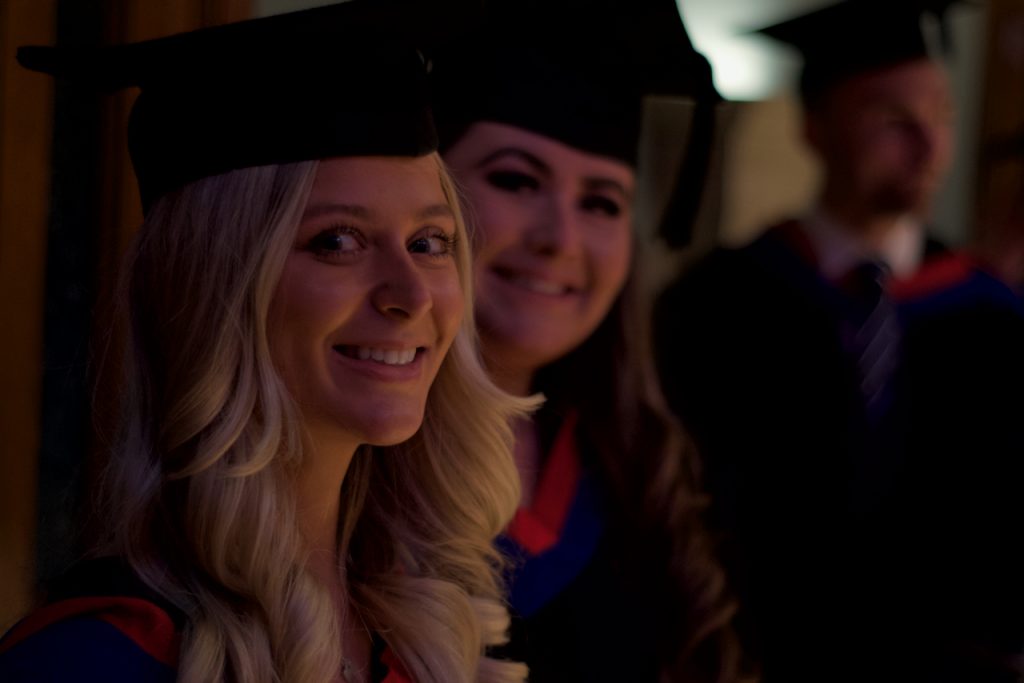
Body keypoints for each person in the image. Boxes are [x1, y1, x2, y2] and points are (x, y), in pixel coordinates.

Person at [0, 2, 530, 682]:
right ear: (212, 289)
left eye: (430, 242)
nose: (412, 293)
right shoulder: (91, 661)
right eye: (337, 241)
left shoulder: (423, 632)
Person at [655, 0, 1023, 680]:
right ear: (814, 127)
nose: (927, 143)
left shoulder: (995, 317)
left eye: (940, 114)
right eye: (890, 117)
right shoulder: (714, 307)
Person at [431, 1, 745, 681]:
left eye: (601, 201)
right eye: (516, 180)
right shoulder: (338, 473)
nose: (561, 239)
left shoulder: (649, 472)